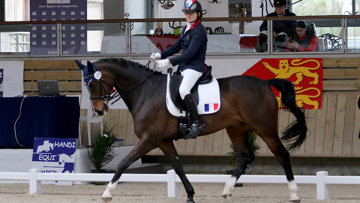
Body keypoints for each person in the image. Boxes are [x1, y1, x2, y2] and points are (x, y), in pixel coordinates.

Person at [150, 0, 207, 139]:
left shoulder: (199, 31)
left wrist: (168, 61)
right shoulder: (186, 28)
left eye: (191, 13)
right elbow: (176, 47)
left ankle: (197, 122)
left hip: (194, 67)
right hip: (184, 67)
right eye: (186, 12)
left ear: (198, 14)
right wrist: (160, 55)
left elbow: (189, 54)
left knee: (183, 90)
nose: (188, 15)